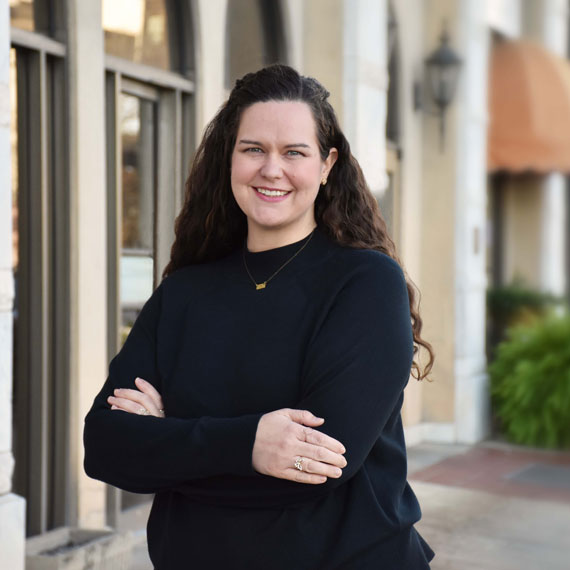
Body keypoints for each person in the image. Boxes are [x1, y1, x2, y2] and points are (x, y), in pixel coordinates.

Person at [84, 64, 435, 569]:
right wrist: (251, 443)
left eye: (294, 152)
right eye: (254, 149)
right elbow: (105, 446)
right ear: (231, 158)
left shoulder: (364, 284)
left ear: (327, 164)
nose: (272, 169)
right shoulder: (185, 291)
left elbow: (322, 465)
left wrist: (171, 439)